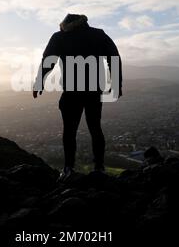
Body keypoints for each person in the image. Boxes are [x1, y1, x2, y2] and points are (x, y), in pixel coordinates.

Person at [33, 14, 122, 181]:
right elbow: (113, 58)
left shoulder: (60, 37)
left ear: (65, 25)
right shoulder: (98, 34)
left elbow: (48, 61)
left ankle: (68, 168)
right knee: (95, 128)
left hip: (72, 91)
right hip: (93, 90)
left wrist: (40, 82)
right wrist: (116, 83)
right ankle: (99, 167)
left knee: (69, 131)